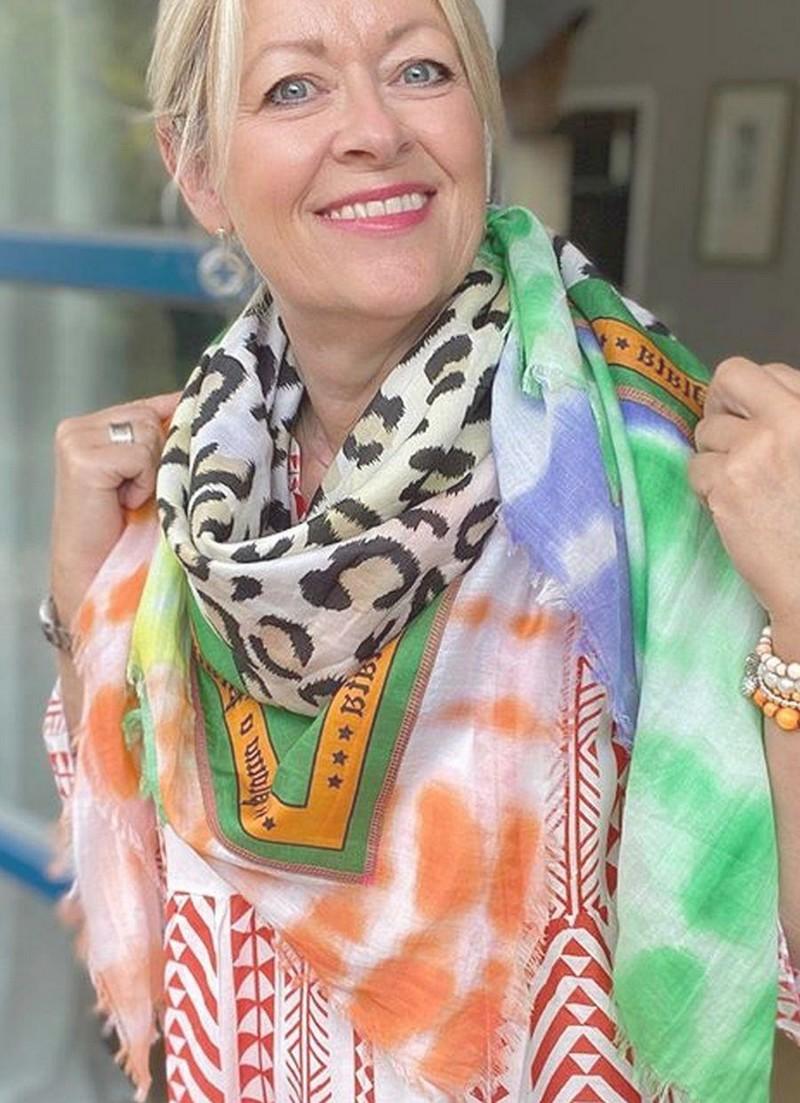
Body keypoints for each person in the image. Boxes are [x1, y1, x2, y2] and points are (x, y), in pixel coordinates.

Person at [41, 0, 800, 1100]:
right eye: (293, 87)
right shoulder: (189, 500)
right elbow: (133, 893)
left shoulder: (649, 480)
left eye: (421, 71)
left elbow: (775, 987)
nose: (374, 129)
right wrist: (82, 598)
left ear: (477, 121)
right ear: (198, 172)